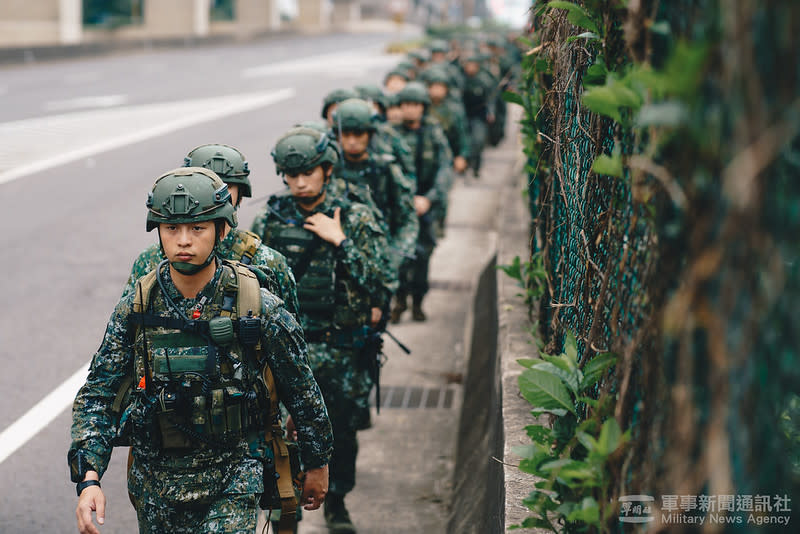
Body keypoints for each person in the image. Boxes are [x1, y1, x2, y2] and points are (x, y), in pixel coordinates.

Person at [69, 167, 332, 534]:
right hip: (155, 485)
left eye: (197, 228)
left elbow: (301, 388)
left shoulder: (257, 304)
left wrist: (318, 463)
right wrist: (89, 479)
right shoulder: (137, 305)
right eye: (172, 229)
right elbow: (99, 392)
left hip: (234, 478)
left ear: (221, 230)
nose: (183, 241)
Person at [252, 127, 392, 534]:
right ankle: (284, 513)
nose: (299, 182)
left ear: (327, 170)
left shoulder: (356, 214)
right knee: (279, 438)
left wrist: (342, 241)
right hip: (285, 352)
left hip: (339, 349)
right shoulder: (271, 218)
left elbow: (380, 281)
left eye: (308, 172)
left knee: (341, 431)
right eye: (291, 175)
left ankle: (338, 502)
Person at [121, 143, 299, 319]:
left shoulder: (267, 261)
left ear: (241, 195)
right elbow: (128, 321)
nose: (214, 193)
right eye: (202, 184)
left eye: (226, 186)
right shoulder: (150, 260)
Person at [331, 97, 418, 275]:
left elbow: (408, 218)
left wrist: (395, 257)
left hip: (380, 256)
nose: (352, 141)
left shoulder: (386, 169)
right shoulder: (329, 170)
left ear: (370, 135)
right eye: (346, 135)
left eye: (358, 134)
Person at [392, 82, 453, 323]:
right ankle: (399, 301)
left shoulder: (433, 132)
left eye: (415, 105)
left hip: (426, 206)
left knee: (422, 257)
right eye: (406, 104)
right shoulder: (391, 134)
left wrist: (429, 199)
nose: (411, 109)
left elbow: (444, 168)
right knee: (399, 257)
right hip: (400, 208)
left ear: (423, 107)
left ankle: (418, 302)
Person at [460, 52, 497, 177]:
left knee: (478, 141)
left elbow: (491, 98)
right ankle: (466, 164)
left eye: (473, 65)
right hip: (465, 115)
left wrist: (491, 112)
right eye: (468, 65)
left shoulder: (483, 80)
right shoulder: (462, 79)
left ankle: (476, 167)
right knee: (466, 142)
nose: (470, 68)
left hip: (480, 115)